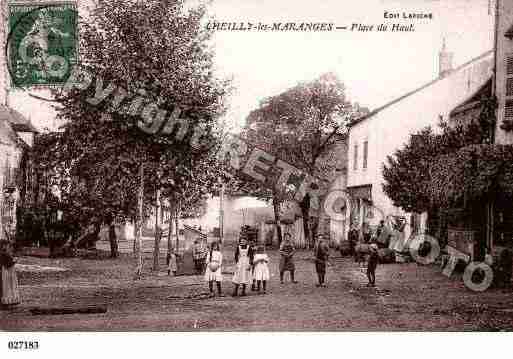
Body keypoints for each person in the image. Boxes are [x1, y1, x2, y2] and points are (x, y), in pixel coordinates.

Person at [0, 240, 21, 308]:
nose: (8, 247)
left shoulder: (5, 254)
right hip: (7, 272)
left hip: (8, 272)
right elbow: (7, 264)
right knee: (7, 287)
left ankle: (8, 302)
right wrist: (14, 261)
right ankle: (7, 302)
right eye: (7, 245)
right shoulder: (3, 254)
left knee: (8, 287)